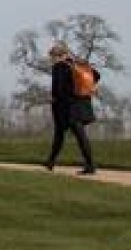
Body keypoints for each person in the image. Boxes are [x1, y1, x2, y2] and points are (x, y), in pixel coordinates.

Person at [42, 43, 98, 175]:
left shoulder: (59, 67)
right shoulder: (77, 64)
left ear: (59, 56)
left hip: (67, 107)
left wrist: (54, 99)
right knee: (76, 135)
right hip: (82, 104)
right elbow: (96, 75)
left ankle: (89, 165)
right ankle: (51, 161)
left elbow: (59, 89)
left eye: (52, 57)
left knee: (63, 135)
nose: (51, 59)